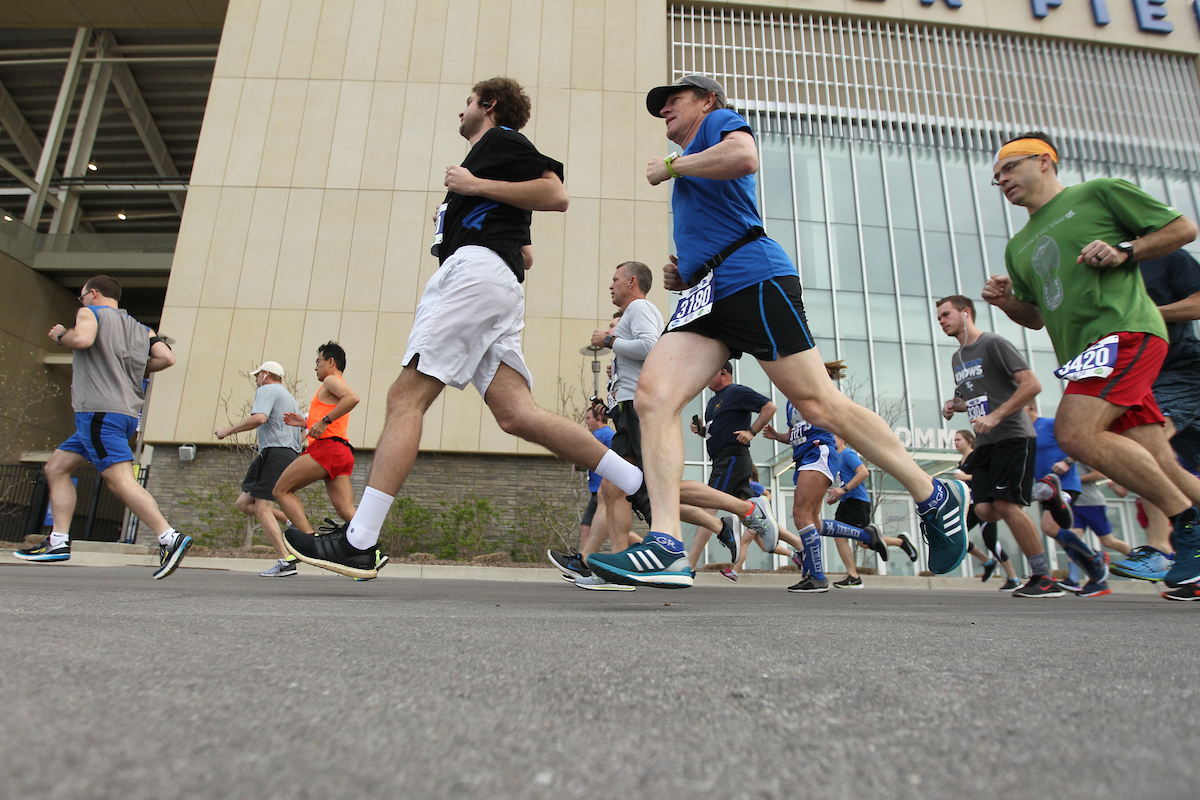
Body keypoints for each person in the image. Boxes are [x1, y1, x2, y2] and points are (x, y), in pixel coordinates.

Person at [588, 75, 970, 590]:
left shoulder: (716, 127)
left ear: (707, 101)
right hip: (707, 293)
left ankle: (934, 494)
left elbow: (745, 157)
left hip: (752, 277)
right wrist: (687, 272)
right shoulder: (695, 161)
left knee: (820, 405)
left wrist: (672, 166)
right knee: (653, 399)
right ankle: (666, 546)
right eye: (661, 107)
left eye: (676, 100)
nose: (666, 111)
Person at [285, 78, 650, 579]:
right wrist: (479, 221)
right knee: (516, 414)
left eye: (467, 103)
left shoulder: (498, 142)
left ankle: (360, 540)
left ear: (489, 105)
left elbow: (555, 194)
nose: (462, 111)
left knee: (404, 398)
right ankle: (634, 479)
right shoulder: (486, 163)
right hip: (491, 278)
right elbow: (524, 249)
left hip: (473, 278)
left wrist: (473, 188)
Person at [984, 131, 1200, 596]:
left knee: (1074, 434)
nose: (1001, 179)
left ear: (1044, 161)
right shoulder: (1018, 247)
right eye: (996, 175)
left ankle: (1186, 525)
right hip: (1084, 356)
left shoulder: (1098, 194)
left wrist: (1126, 251)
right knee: (1161, 459)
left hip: (1126, 332)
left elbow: (1183, 228)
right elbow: (1037, 318)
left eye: (1010, 167)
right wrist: (1006, 303)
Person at [15, 275, 191, 579]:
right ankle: (58, 541)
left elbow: (81, 339)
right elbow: (166, 358)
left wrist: (60, 335)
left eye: (83, 296)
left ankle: (168, 537)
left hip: (99, 412)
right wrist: (134, 367)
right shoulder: (140, 328)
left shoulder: (90, 313)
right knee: (56, 468)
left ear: (93, 293)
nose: (81, 302)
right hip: (120, 415)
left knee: (119, 480)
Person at [937, 294, 1081, 598]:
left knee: (1006, 505)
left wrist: (998, 415)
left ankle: (1044, 577)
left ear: (966, 313)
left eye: (946, 315)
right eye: (938, 317)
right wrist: (955, 405)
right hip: (987, 442)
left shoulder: (993, 343)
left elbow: (1032, 384)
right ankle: (1046, 491)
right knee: (986, 509)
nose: (941, 321)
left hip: (1013, 434)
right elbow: (973, 399)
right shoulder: (957, 358)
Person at [1110, 249, 1200, 585]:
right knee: (1164, 460)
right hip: (1140, 376)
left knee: (1145, 450)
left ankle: (1161, 549)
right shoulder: (1098, 269)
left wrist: (1148, 313)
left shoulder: (1167, 256)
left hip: (1177, 369)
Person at [214, 360, 305, 577]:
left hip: (275, 452)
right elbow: (303, 432)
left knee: (262, 508)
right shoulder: (290, 398)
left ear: (265, 374)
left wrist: (228, 430)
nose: (256, 380)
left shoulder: (267, 389)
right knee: (245, 503)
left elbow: (260, 418)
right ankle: (289, 520)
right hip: (283, 453)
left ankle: (285, 560)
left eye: (258, 375)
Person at [686, 361, 777, 566]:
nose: (706, 377)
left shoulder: (736, 391)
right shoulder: (713, 402)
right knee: (748, 513)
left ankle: (690, 563)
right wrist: (701, 430)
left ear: (724, 372)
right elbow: (717, 431)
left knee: (708, 507)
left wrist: (751, 432)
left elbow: (769, 407)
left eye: (710, 373)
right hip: (723, 459)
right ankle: (797, 546)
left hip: (732, 458)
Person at [274, 342, 361, 536]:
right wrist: (306, 423)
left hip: (327, 449)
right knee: (346, 510)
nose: (315, 367)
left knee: (281, 490)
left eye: (318, 361)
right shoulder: (335, 385)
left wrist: (324, 421)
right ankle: (370, 549)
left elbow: (352, 398)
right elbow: (332, 414)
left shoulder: (331, 380)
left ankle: (310, 540)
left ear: (330, 361)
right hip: (341, 451)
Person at [1025, 402, 1110, 597]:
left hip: (1065, 484)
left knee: (1050, 527)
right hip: (1045, 488)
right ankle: (1095, 570)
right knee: (1059, 532)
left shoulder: (1050, 424)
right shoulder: (1025, 433)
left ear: (1030, 406)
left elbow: (1081, 441)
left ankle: (1095, 562)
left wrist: (1067, 462)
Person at [827, 435, 919, 587]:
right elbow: (845, 483)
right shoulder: (836, 460)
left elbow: (863, 472)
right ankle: (900, 542)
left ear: (842, 440)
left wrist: (843, 490)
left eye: (833, 438)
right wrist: (836, 496)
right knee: (846, 537)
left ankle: (854, 576)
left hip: (858, 502)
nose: (829, 440)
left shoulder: (847, 454)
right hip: (847, 502)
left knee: (860, 540)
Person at [952, 429, 1020, 590]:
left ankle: (1014, 578)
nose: (955, 443)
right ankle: (988, 562)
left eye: (958, 439)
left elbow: (987, 475)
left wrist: (966, 477)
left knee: (991, 540)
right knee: (957, 536)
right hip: (970, 505)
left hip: (983, 503)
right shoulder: (961, 461)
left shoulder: (977, 456)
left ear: (969, 440)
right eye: (954, 440)